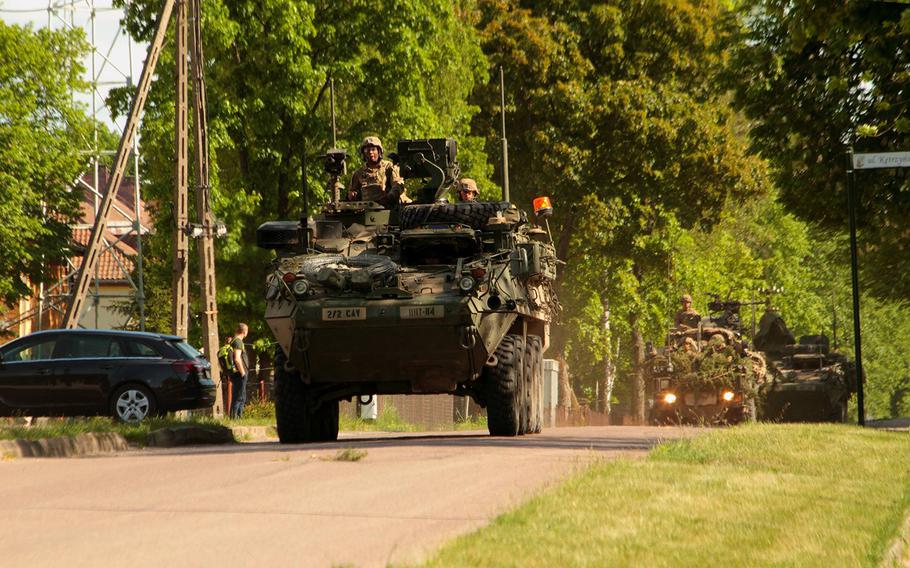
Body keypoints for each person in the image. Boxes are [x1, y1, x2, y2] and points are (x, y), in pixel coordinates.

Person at [347, 136, 406, 207]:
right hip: (366, 211)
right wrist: (353, 194)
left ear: (379, 151)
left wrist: (389, 197)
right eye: (367, 150)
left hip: (388, 208)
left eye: (373, 149)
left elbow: (398, 184)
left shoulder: (389, 167)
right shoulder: (359, 173)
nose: (370, 152)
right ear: (363, 153)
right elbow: (352, 192)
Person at [229, 323, 250, 419]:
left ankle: (237, 417)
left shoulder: (233, 341)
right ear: (244, 332)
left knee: (239, 395)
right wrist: (243, 373)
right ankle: (235, 418)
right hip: (239, 374)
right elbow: (237, 359)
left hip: (235, 373)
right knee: (239, 396)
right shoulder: (238, 342)